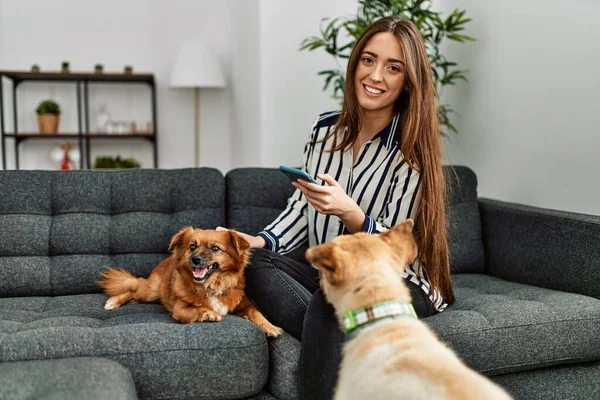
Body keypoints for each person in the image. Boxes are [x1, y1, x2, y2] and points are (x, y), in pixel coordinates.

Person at [218, 16, 455, 400]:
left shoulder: (413, 149)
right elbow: (300, 207)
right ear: (355, 63)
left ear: (407, 81)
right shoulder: (324, 130)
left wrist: (351, 214)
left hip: (401, 281)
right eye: (368, 60)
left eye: (392, 68)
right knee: (254, 264)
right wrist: (258, 242)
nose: (375, 75)